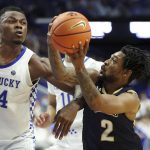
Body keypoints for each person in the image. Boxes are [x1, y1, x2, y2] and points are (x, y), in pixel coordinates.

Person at [47, 24, 150, 149]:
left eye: (114, 61)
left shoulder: (130, 98)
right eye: (110, 58)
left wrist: (79, 67)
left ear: (126, 73)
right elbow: (61, 75)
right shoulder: (93, 76)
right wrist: (52, 44)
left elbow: (97, 103)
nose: (106, 61)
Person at [0, 6, 78, 150]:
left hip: (17, 143)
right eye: (11, 21)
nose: (18, 25)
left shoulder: (34, 64)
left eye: (23, 23)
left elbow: (80, 88)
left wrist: (75, 105)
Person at [35, 54, 102, 150]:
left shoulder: (97, 66)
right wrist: (48, 118)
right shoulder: (53, 68)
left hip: (87, 142)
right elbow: (52, 104)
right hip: (61, 142)